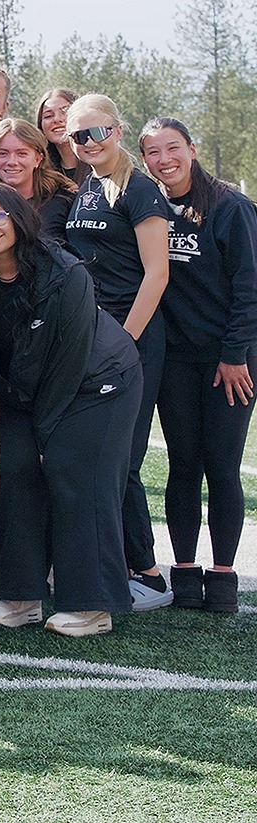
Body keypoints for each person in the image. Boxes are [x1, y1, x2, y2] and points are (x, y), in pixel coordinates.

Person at [0, 183, 141, 636]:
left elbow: (69, 363)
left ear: (18, 218)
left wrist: (48, 437)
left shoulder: (65, 273)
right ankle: (21, 596)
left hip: (96, 383)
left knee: (75, 476)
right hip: (23, 388)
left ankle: (92, 605)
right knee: (17, 474)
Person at [62, 92, 173, 611]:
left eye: (96, 132)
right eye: (76, 135)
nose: (87, 142)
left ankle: (148, 574)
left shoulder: (142, 190)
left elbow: (157, 274)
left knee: (124, 460)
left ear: (118, 131)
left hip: (131, 339)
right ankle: (122, 564)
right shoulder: (89, 186)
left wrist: (125, 340)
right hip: (93, 338)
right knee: (100, 459)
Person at [141, 117, 255, 612]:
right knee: (183, 464)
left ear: (192, 148)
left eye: (173, 148)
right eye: (153, 152)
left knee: (223, 466)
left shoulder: (230, 207)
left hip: (230, 360)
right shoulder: (151, 207)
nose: (164, 160)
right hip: (177, 361)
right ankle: (184, 571)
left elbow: (250, 290)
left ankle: (224, 576)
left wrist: (233, 355)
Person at [35, 87, 90, 183]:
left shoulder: (99, 164)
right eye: (48, 116)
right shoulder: (39, 174)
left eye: (65, 112)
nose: (57, 119)